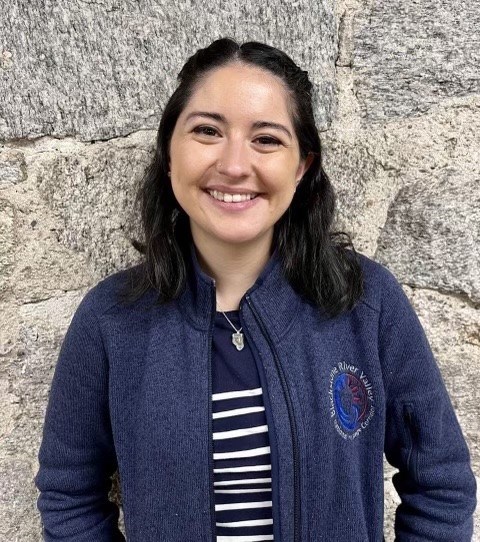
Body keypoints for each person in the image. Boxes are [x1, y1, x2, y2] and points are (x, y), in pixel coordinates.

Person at [35, 38, 476, 542]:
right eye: (207, 131)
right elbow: (69, 495)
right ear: (168, 152)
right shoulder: (111, 318)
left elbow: (442, 483)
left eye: (266, 139)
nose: (235, 165)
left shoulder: (366, 301)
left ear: (302, 165)